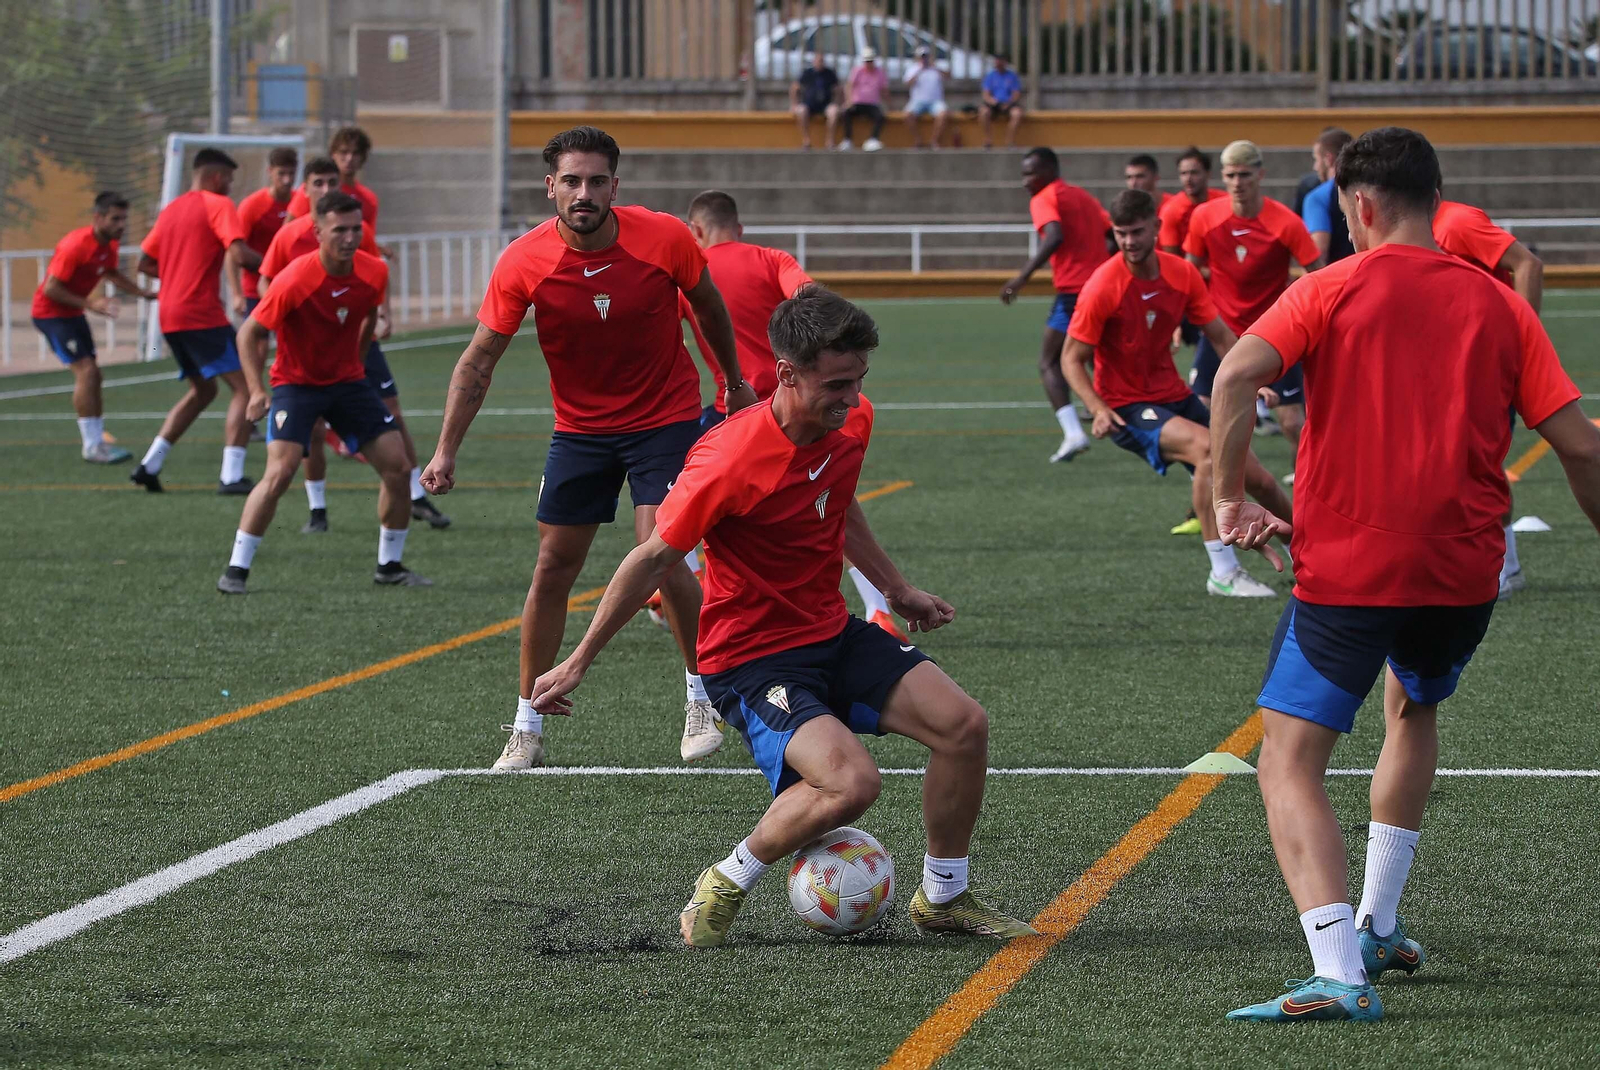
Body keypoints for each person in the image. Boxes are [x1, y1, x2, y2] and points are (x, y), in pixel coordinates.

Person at [1210, 126, 1600, 1023]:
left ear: (1361, 206)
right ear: (1437, 199)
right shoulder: (1503, 306)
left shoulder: (1331, 286)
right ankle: (1381, 922)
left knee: (1288, 757)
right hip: (1467, 573)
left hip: (1352, 570)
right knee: (1410, 707)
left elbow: (1235, 378)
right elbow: (1579, 444)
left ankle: (1340, 969)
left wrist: (1230, 499)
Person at [526, 286, 1039, 948]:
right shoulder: (727, 458)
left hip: (829, 632)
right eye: (836, 384)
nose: (851, 399)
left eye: (858, 381)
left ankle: (943, 897)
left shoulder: (849, 423)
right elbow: (653, 559)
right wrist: (577, 660)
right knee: (852, 784)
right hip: (750, 659)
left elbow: (839, 502)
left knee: (964, 726)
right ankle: (728, 878)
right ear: (786, 374)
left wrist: (896, 588)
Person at [419, 126, 756, 772]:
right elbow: (477, 362)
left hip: (666, 418)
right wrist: (444, 451)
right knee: (552, 567)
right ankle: (526, 725)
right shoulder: (523, 261)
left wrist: (733, 382)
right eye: (571, 181)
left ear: (614, 187)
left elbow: (709, 308)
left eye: (596, 181)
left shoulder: (663, 238)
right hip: (580, 430)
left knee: (660, 552)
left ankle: (700, 696)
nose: (583, 193)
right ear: (550, 187)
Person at [683, 190, 908, 642]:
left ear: (697, 232)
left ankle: (685, 585)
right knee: (829, 507)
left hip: (743, 412)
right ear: (739, 228)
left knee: (692, 505)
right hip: (808, 404)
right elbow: (814, 303)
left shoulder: (693, 274)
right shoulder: (770, 258)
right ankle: (878, 608)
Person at [1060, 190, 1290, 597]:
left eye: (1136, 232)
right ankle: (1223, 571)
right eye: (1120, 234)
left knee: (1262, 481)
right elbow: (1071, 358)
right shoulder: (1103, 285)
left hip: (1174, 395)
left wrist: (1259, 377)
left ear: (1156, 228)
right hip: (1126, 408)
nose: (1129, 242)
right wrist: (1095, 408)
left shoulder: (1182, 274)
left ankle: (1310, 555)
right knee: (1207, 452)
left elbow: (1220, 337)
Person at [218, 191, 429, 595]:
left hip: (349, 384)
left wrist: (357, 358)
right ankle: (236, 570)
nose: (350, 238)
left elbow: (367, 313)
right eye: (340, 230)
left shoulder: (374, 272)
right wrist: (256, 390)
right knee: (279, 473)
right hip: (295, 386)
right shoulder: (295, 278)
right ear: (317, 232)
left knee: (399, 468)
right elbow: (250, 332)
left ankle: (390, 566)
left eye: (356, 229)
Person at [261, 157, 450, 534]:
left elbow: (373, 269)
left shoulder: (356, 222)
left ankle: (413, 495)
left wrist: (384, 314)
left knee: (391, 410)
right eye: (318, 183)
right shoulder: (290, 235)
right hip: (308, 351)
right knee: (310, 430)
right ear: (306, 188)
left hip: (352, 335)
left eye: (333, 181)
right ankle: (318, 509)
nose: (327, 189)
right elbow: (268, 286)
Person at [1433, 192, 1547, 597]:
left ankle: (1504, 565)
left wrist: (1523, 345)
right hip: (1439, 369)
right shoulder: (1399, 234)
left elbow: (1527, 263)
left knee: (1478, 465)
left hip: (1481, 368)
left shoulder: (1455, 222)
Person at [129, 148, 262, 495]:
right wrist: (281, 266)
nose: (230, 187)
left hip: (170, 315)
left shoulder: (171, 209)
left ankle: (149, 464)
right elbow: (239, 254)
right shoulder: (217, 204)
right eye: (229, 180)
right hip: (199, 311)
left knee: (203, 390)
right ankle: (231, 476)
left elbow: (144, 263)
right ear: (217, 178)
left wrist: (177, 275)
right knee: (245, 388)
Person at [1184, 140, 1323, 455]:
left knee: (1291, 422)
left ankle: (1310, 490)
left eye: (1244, 175)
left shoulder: (1285, 222)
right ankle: (1210, 497)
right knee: (1202, 416)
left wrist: (1304, 311)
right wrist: (1181, 322)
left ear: (1260, 175)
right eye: (1230, 175)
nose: (1237, 183)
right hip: (1221, 329)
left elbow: (1318, 275)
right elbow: (1188, 275)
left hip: (1273, 332)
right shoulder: (1204, 217)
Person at [1001, 146, 1112, 463]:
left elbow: (1054, 235)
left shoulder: (1045, 197)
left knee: (1050, 361)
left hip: (1075, 291)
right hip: (1103, 285)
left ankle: (1073, 432)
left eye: (1031, 173)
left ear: (1050, 171)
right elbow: (1110, 235)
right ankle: (1117, 416)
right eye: (1023, 174)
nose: (1026, 181)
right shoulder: (1083, 197)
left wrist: (1020, 278)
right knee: (1097, 355)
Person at [31, 191, 155, 464]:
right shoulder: (75, 245)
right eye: (115, 219)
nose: (121, 225)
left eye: (124, 219)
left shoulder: (109, 245)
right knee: (86, 371)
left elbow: (110, 273)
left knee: (94, 375)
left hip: (72, 314)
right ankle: (91, 446)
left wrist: (141, 293)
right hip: (50, 314)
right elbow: (51, 288)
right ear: (98, 218)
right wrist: (90, 304)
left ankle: (98, 441)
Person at [236, 147, 298, 315]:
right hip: (254, 290)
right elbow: (234, 250)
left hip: (290, 288)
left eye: (291, 174)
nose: (287, 180)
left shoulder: (301, 203)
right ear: (270, 171)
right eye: (281, 174)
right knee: (258, 340)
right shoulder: (252, 206)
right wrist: (236, 294)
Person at [287, 126, 380, 236]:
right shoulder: (314, 189)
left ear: (363, 157)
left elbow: (367, 239)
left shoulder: (369, 199)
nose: (349, 158)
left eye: (355, 153)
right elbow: (288, 232)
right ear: (333, 154)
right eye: (344, 152)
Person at [1158, 147, 1228, 256]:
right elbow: (1172, 258)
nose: (1188, 179)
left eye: (1194, 173)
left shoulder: (1224, 202)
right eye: (1183, 173)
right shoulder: (1171, 210)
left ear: (1207, 174)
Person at [1300, 129, 1355, 263]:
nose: (1315, 167)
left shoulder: (1318, 197)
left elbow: (1319, 254)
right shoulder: (1369, 189)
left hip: (1339, 278)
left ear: (1328, 159)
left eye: (1316, 159)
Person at [790, 53, 841, 151]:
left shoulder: (829, 74)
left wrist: (838, 103)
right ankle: (806, 140)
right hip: (809, 104)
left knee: (834, 112)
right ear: (814, 62)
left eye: (822, 61)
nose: (820, 63)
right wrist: (794, 104)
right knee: (801, 111)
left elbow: (838, 89)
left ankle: (830, 141)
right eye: (818, 61)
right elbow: (794, 88)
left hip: (825, 104)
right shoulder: (807, 73)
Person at [838, 50, 888, 151]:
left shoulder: (880, 73)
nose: (868, 63)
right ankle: (847, 140)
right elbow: (849, 86)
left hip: (872, 104)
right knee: (846, 113)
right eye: (867, 61)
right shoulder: (857, 71)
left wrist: (888, 104)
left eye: (870, 61)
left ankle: (873, 139)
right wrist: (849, 101)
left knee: (880, 117)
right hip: (857, 103)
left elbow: (884, 90)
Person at [903, 47, 947, 150]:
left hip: (935, 101)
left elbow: (948, 76)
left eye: (926, 57)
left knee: (943, 114)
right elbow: (908, 83)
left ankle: (934, 141)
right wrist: (919, 71)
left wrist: (936, 67)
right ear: (918, 58)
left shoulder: (935, 69)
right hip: (917, 102)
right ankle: (918, 140)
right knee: (907, 115)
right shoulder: (913, 69)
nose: (924, 59)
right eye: (922, 57)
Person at [979, 55, 1024, 149]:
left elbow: (1016, 94)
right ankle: (988, 141)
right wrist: (993, 102)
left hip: (1008, 104)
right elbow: (986, 95)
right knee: (983, 112)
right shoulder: (990, 76)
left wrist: (1009, 103)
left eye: (1001, 61)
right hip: (994, 104)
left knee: (1017, 114)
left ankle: (1010, 142)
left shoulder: (1012, 76)